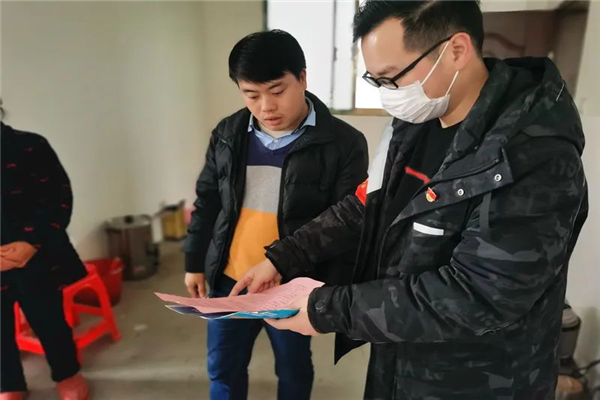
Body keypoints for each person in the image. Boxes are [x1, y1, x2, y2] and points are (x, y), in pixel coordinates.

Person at [230, 1, 589, 399]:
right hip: (399, 356)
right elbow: (365, 206)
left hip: (479, 379)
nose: (388, 95)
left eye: (392, 77)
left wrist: (325, 307)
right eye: (376, 80)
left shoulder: (532, 156)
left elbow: (478, 294)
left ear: (456, 50)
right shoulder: (414, 123)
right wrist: (283, 257)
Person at [182, 30, 368, 400]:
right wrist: (194, 261)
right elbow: (207, 200)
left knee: (293, 368)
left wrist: (325, 290)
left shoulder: (344, 143)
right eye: (252, 95)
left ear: (302, 78)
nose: (266, 106)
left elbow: (345, 223)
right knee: (223, 368)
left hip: (290, 284)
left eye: (277, 91)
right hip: (229, 279)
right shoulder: (228, 134)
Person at [1, 105, 91, 400]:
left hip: (37, 257)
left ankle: (67, 373)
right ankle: (9, 384)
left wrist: (31, 242)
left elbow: (58, 197)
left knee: (49, 320)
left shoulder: (30, 145)